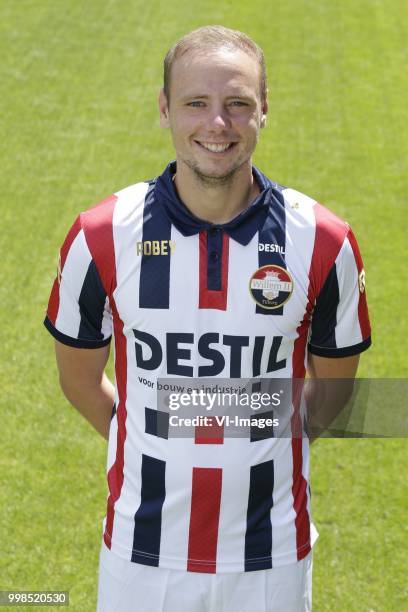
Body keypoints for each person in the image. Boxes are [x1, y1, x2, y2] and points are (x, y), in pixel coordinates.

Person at [44, 25, 371, 612]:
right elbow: (78, 381)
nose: (216, 125)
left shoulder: (324, 242)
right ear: (165, 107)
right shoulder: (100, 237)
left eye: (238, 104)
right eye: (196, 103)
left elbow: (333, 395)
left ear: (264, 110)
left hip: (270, 558)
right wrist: (147, 434)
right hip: (140, 559)